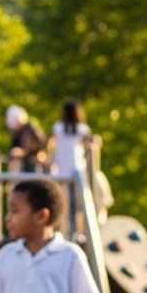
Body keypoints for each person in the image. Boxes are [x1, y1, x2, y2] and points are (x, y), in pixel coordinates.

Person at [48, 101, 93, 238]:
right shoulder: (82, 129)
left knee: (61, 202)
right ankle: (73, 232)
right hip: (76, 170)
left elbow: (50, 142)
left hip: (60, 170)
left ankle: (61, 231)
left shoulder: (58, 128)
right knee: (75, 205)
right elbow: (90, 144)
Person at [5, 106, 47, 174]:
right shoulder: (17, 132)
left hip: (33, 163)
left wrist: (42, 153)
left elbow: (42, 142)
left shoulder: (30, 129)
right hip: (22, 164)